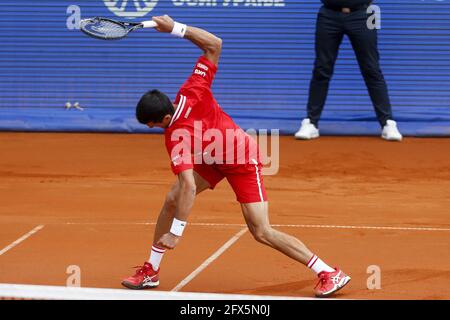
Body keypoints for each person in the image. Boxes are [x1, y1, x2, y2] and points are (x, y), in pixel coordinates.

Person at [121, 15, 351, 298]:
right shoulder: (193, 89)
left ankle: (328, 272)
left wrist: (177, 232)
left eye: (152, 125)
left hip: (241, 158)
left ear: (165, 117)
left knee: (261, 230)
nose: (152, 129)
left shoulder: (176, 137)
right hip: (213, 157)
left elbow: (189, 187)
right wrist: (176, 29)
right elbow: (214, 45)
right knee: (171, 198)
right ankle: (151, 270)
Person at [295, 0, 403, 141]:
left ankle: (388, 123)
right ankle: (311, 122)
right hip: (328, 14)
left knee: (372, 69)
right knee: (322, 68)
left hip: (366, 14)